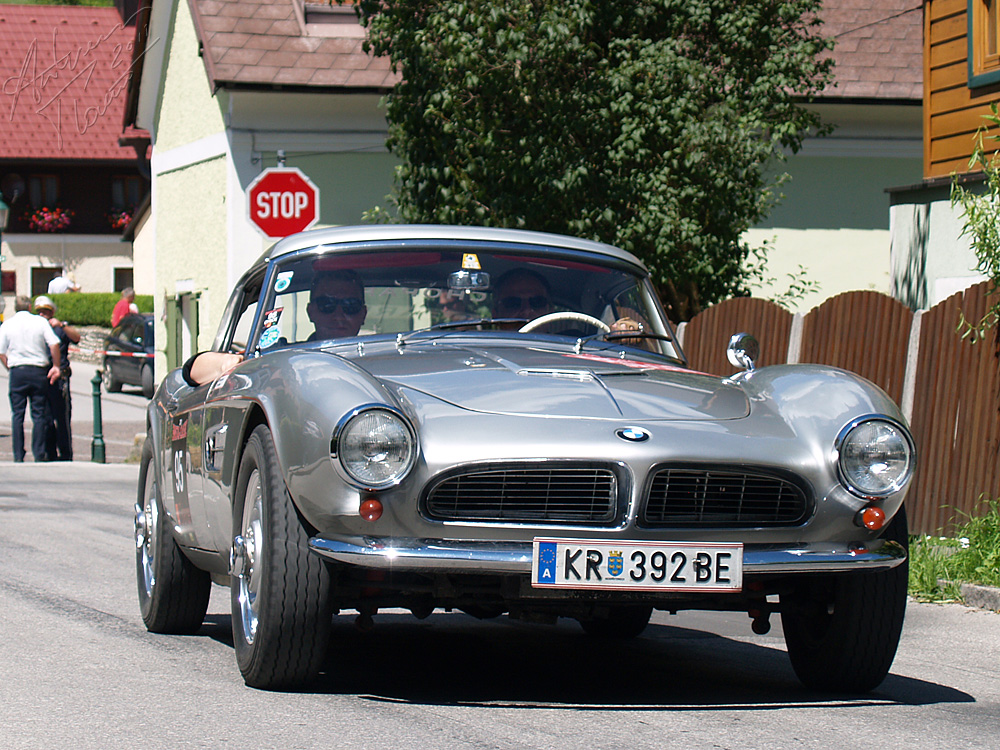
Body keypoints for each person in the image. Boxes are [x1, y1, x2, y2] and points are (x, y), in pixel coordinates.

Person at [0, 296, 62, 462]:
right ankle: (39, 453)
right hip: (38, 370)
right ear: (29, 306)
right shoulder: (40, 322)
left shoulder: (7, 324)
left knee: (17, 415)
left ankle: (18, 455)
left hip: (18, 371)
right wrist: (56, 366)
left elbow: (1, 351)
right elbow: (54, 344)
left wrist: (10, 366)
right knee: (39, 413)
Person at [34, 295, 80, 461]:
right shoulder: (36, 329)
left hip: (60, 378)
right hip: (42, 376)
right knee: (45, 417)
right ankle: (49, 452)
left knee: (62, 417)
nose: (42, 316)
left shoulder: (59, 329)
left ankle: (66, 453)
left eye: (46, 312)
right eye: (40, 312)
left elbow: (76, 337)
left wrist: (62, 325)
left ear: (51, 313)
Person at [306, 269, 368, 341]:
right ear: (310, 312)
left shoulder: (380, 351)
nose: (338, 317)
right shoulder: (292, 352)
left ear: (363, 314)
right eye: (327, 304)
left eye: (350, 305)